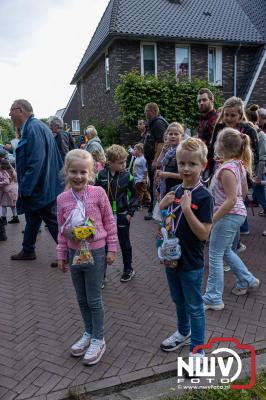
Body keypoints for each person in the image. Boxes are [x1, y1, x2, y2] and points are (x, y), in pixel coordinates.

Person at [57, 149, 117, 365]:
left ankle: (99, 339)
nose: (78, 176)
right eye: (74, 171)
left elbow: (110, 222)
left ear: (90, 172)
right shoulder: (62, 198)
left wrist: (112, 248)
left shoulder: (98, 193)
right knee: (81, 298)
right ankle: (88, 332)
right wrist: (61, 254)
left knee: (93, 298)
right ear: (67, 172)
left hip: (96, 251)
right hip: (75, 253)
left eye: (83, 172)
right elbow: (61, 230)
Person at [159, 138, 213, 365]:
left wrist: (187, 211)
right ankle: (183, 332)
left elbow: (204, 234)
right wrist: (162, 208)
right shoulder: (175, 189)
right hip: (172, 258)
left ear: (203, 165)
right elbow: (166, 223)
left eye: (192, 164)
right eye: (182, 164)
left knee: (194, 306)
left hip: (191, 261)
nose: (186, 169)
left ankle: (198, 350)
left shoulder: (204, 196)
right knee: (178, 299)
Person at [203, 128, 260, 311]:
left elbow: (232, 199)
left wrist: (212, 220)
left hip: (228, 215)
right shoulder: (238, 164)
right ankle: (247, 279)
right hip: (235, 215)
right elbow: (242, 193)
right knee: (226, 251)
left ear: (221, 145)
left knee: (215, 255)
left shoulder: (227, 169)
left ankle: (213, 297)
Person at [9, 99, 64, 262]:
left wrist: (25, 188)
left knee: (51, 220)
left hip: (40, 187)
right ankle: (28, 249)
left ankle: (67, 252)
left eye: (11, 111)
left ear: (20, 110)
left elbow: (35, 162)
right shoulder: (39, 127)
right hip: (45, 184)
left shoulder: (32, 129)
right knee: (33, 217)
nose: (10, 115)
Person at [96, 145, 138, 282]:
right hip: (104, 217)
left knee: (124, 242)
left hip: (122, 214)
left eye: (125, 162)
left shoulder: (128, 176)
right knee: (104, 245)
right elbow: (95, 195)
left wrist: (130, 212)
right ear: (110, 162)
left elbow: (134, 196)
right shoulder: (100, 175)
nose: (124, 165)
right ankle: (101, 275)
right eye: (120, 163)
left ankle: (128, 269)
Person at [143, 102, 168, 220]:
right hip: (151, 160)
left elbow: (161, 142)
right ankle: (153, 210)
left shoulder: (158, 123)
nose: (144, 113)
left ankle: (154, 210)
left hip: (155, 161)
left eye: (146, 110)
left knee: (155, 186)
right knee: (152, 185)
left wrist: (156, 160)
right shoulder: (152, 123)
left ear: (152, 110)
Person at [245, 104, 266, 217]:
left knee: (263, 198)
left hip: (258, 171)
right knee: (259, 196)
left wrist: (258, 175)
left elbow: (262, 158)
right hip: (253, 170)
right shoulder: (253, 133)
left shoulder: (260, 135)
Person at [155, 122, 184, 199]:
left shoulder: (182, 151)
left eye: (176, 134)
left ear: (182, 136)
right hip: (166, 186)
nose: (173, 136)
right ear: (166, 136)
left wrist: (165, 174)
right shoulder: (168, 150)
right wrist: (163, 150)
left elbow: (184, 176)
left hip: (176, 188)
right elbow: (158, 164)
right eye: (170, 134)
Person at [0, 158, 19, 224]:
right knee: (13, 205)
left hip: (8, 191)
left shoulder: (4, 171)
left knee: (3, 205)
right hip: (14, 189)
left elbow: (6, 181)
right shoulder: (12, 170)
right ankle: (15, 217)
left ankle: (3, 219)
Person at [132, 143, 151, 208]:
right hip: (136, 178)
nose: (133, 151)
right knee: (144, 191)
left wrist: (144, 179)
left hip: (141, 179)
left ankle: (138, 205)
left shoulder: (143, 159)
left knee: (139, 192)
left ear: (140, 150)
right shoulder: (137, 158)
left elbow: (145, 169)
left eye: (135, 149)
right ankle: (148, 202)